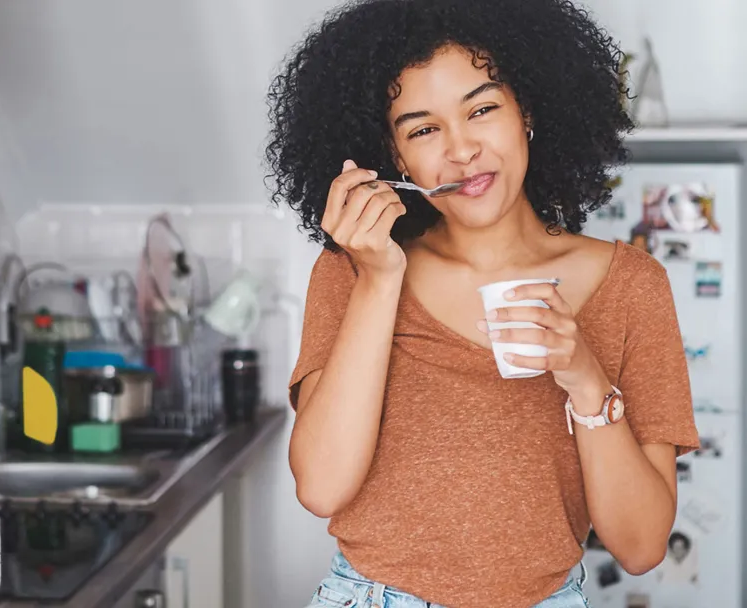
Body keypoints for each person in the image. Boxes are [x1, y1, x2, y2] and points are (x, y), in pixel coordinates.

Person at [264, 0, 701, 606]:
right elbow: (321, 487)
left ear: (527, 112)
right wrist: (379, 279)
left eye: (483, 109)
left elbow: (642, 546)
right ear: (396, 160)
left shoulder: (632, 285)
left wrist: (582, 373)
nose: (461, 149)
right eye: (423, 128)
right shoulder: (353, 270)